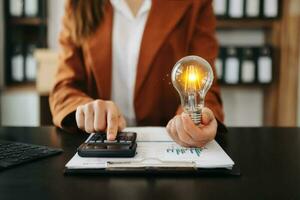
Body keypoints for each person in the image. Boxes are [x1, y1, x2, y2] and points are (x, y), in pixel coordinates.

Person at [49, 0, 225, 147]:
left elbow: (206, 84)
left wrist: (198, 118)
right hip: (103, 145)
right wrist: (86, 109)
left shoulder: (196, 3)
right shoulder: (77, 3)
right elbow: (64, 86)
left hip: (169, 144)